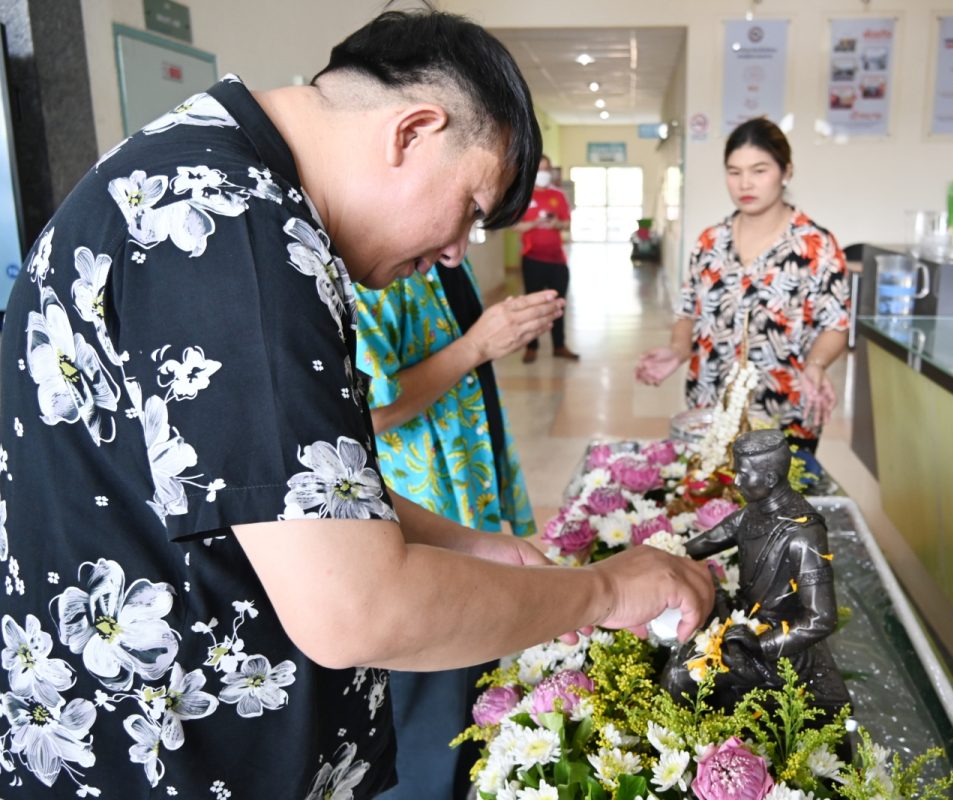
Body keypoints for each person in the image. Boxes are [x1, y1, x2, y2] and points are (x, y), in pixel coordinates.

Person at [0, 10, 713, 798]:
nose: (456, 251)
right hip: (172, 764)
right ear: (413, 131)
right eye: (471, 209)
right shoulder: (229, 230)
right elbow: (355, 610)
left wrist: (469, 546)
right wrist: (607, 591)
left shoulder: (208, 183)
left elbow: (267, 487)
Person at [355, 257, 557, 799]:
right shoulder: (369, 269)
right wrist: (476, 346)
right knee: (426, 728)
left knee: (473, 705)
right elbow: (370, 411)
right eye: (468, 217)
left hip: (469, 510)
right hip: (421, 527)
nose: (458, 247)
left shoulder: (444, 255)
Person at [635, 117, 850, 452]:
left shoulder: (815, 246)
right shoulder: (711, 242)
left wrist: (817, 364)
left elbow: (835, 325)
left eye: (759, 170)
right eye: (734, 172)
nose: (745, 184)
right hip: (711, 408)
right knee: (711, 485)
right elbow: (688, 311)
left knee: (781, 488)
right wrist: (677, 349)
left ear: (786, 171)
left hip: (785, 411)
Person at [661, 429, 850, 718]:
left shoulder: (803, 533)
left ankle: (693, 738)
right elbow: (708, 541)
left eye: (743, 474)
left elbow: (822, 619)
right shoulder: (755, 512)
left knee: (679, 677)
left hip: (775, 646)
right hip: (742, 619)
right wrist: (663, 559)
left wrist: (762, 644)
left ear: (770, 478)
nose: (736, 481)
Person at [514, 154, 579, 363]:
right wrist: (535, 223)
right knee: (532, 306)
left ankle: (559, 346)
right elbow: (515, 226)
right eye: (539, 169)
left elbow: (567, 224)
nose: (543, 173)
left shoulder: (558, 195)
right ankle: (531, 347)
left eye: (546, 169)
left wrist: (556, 224)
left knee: (558, 305)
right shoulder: (523, 196)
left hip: (557, 261)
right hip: (532, 260)